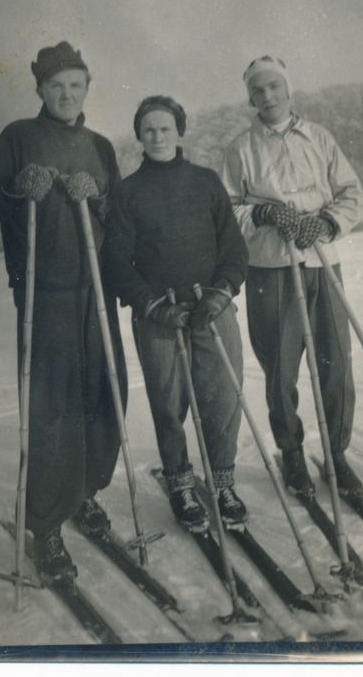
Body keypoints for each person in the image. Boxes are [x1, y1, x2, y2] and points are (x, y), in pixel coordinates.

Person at [0, 41, 127, 584]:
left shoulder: (101, 147)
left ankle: (82, 493)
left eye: (75, 85)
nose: (66, 94)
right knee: (51, 408)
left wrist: (101, 200)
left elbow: (120, 221)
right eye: (56, 85)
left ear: (87, 88)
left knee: (102, 397)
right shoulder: (19, 137)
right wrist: (15, 190)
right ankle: (46, 524)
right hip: (46, 293)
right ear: (40, 89)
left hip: (95, 292)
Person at [219, 55, 363, 500]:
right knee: (280, 369)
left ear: (287, 89)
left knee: (335, 363)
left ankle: (336, 453)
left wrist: (325, 223)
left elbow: (351, 193)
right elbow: (226, 209)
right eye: (258, 90)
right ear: (250, 97)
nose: (267, 96)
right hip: (271, 268)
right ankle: (292, 453)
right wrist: (261, 212)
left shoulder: (318, 137)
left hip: (321, 261)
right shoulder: (241, 148)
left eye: (274, 87)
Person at [104, 95, 249, 531]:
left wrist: (220, 295)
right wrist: (151, 305)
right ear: (139, 136)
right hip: (158, 318)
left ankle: (221, 481)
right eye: (149, 129)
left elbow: (234, 250)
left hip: (211, 309)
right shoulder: (128, 192)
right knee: (168, 403)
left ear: (179, 130)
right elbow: (116, 263)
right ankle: (181, 482)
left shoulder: (205, 181)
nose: (158, 136)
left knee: (222, 396)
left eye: (165, 127)